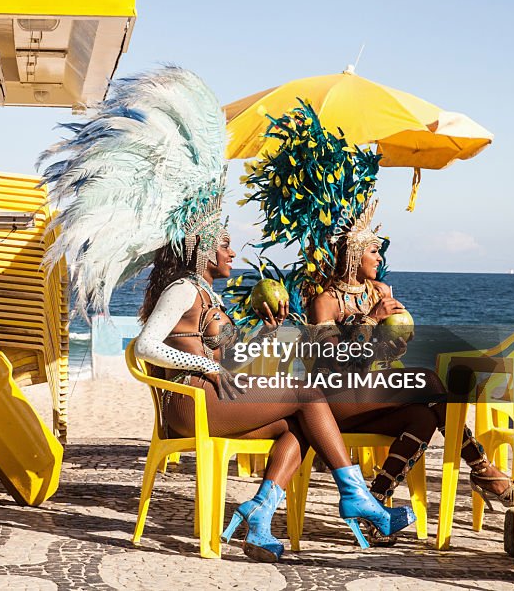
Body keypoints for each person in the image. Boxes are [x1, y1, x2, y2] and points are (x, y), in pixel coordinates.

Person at [39, 66, 415, 562]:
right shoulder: (181, 289)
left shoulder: (203, 292)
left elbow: (223, 346)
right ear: (199, 247)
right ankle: (356, 494)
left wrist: (267, 331)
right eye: (224, 245)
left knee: (300, 424)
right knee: (307, 393)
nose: (232, 255)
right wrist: (211, 367)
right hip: (190, 407)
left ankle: (262, 512)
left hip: (212, 401)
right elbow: (148, 344)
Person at [232, 103, 513, 547]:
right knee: (433, 383)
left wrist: (396, 329)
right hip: (335, 400)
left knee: (424, 411)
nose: (379, 259)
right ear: (352, 256)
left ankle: (376, 500)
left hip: (372, 392)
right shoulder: (324, 300)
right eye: (373, 253)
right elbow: (330, 359)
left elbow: (388, 353)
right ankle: (480, 468)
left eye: (379, 253)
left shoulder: (378, 290)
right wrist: (370, 322)